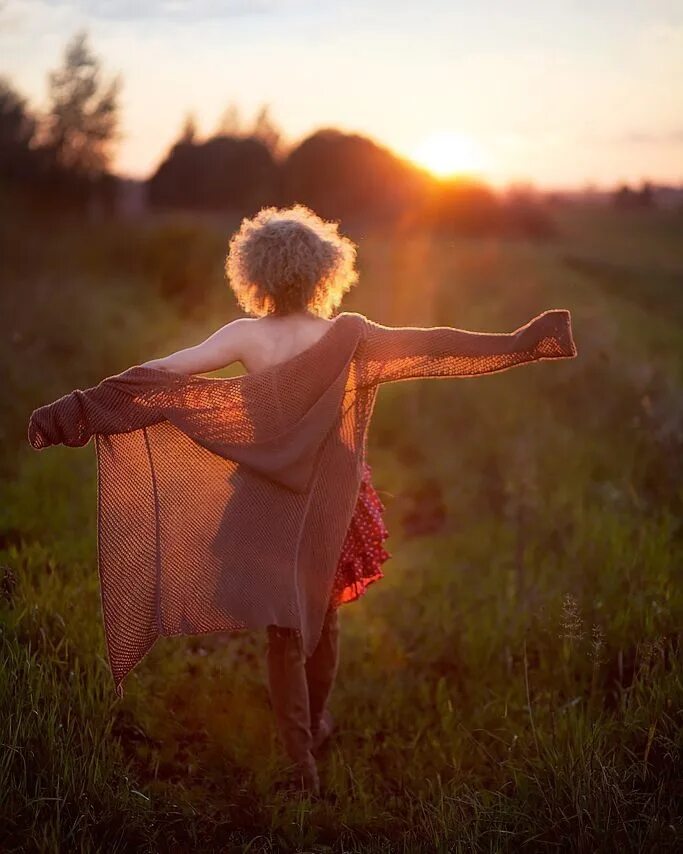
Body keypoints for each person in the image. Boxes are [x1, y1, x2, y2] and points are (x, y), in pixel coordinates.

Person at [28, 204, 577, 797]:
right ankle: (313, 727)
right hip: (336, 503)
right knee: (325, 617)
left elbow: (159, 376)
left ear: (255, 273)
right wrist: (523, 342)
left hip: (265, 501)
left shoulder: (243, 335)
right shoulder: (350, 335)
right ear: (324, 271)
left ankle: (298, 759)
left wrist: (75, 410)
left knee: (283, 632)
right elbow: (437, 347)